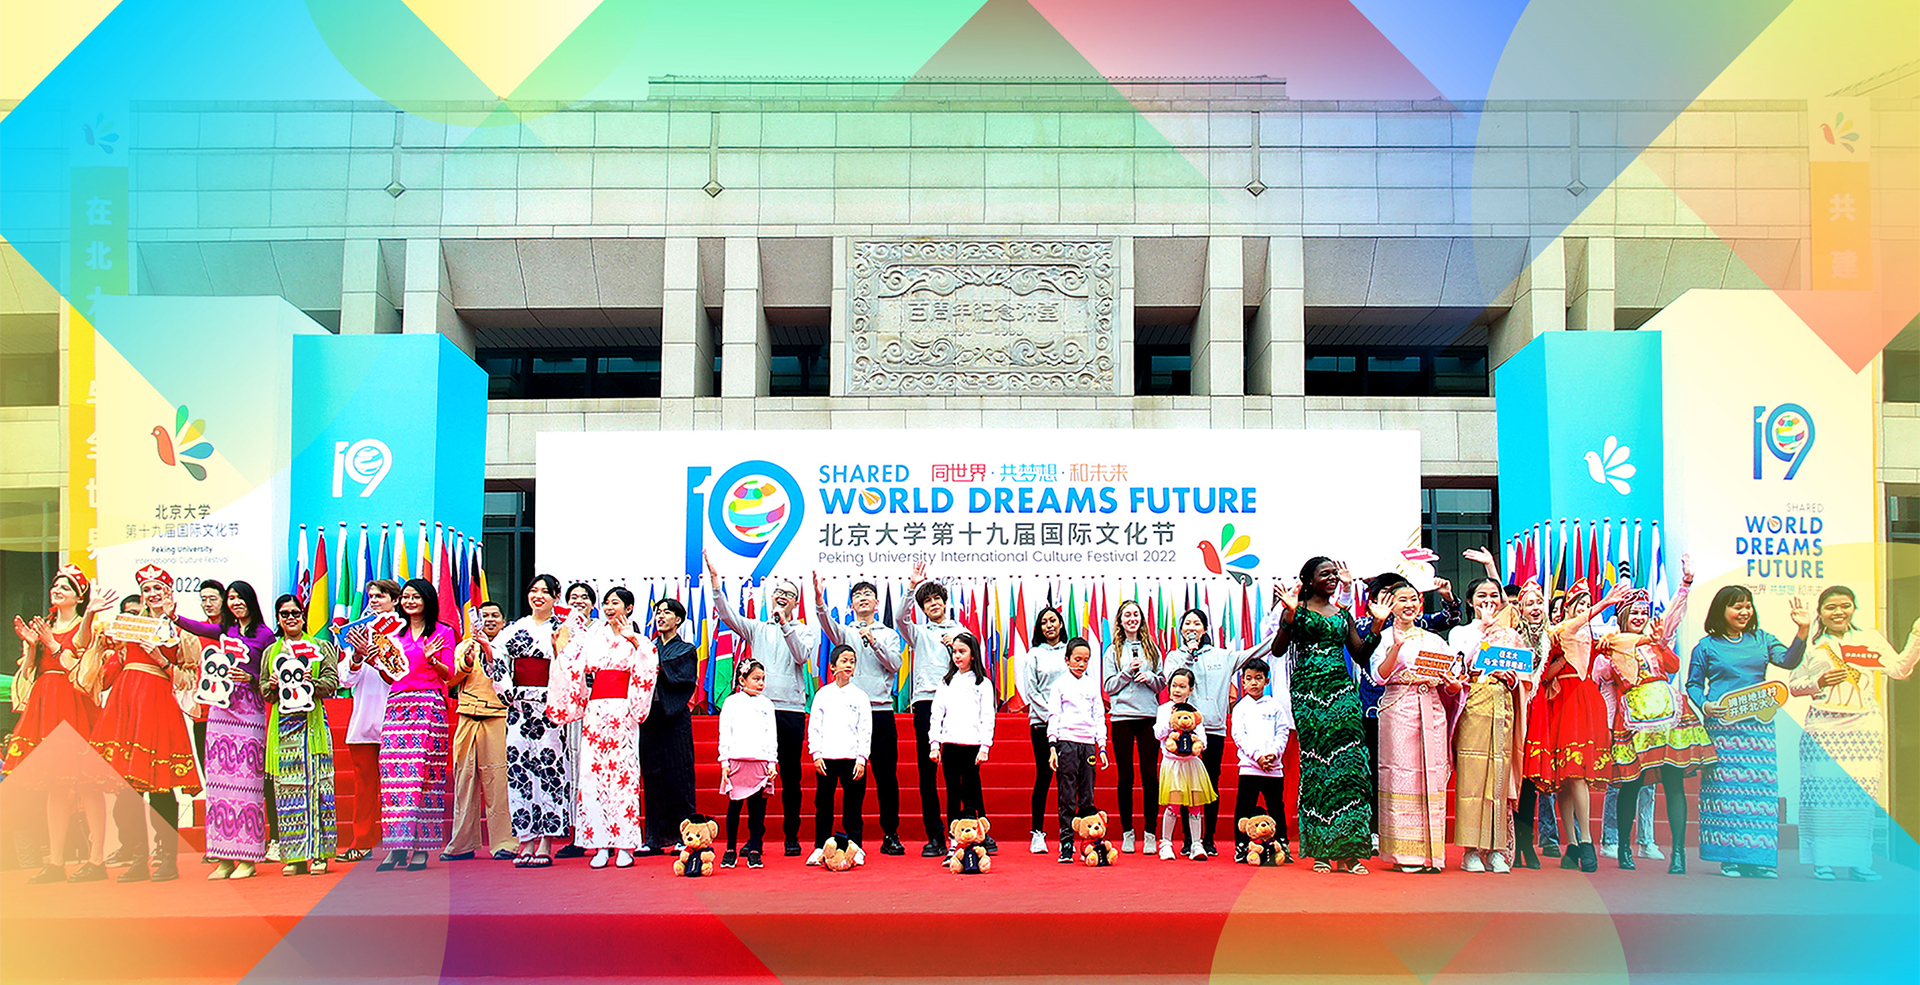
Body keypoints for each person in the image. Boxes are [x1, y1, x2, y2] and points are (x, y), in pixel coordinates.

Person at [1788, 586, 1918, 881]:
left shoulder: (1870, 639)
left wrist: (1916, 637)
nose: (1838, 612)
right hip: (1822, 728)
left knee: (1859, 798)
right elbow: (1794, 685)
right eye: (1830, 607)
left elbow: (1899, 669)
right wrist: (1818, 682)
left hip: (1863, 727)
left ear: (1854, 608)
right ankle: (1823, 861)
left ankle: (1859, 862)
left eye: (1844, 606)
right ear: (1820, 612)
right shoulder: (1812, 644)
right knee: (1822, 798)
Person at [89, 565, 203, 883]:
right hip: (125, 704)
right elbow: (110, 664)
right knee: (126, 787)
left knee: (160, 787)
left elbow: (189, 679)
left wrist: (162, 660)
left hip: (156, 705)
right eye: (147, 590)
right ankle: (138, 857)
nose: (152, 594)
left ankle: (166, 858)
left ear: (169, 592)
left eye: (158, 589)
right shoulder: (129, 626)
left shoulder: (181, 632)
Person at [1686, 585, 1809, 879]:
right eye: (1737, 607)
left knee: (1759, 792)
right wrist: (1705, 705)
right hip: (1723, 728)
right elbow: (1693, 684)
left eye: (1748, 606)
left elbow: (1788, 661)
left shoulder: (1762, 639)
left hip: (1758, 728)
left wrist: (1803, 630)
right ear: (1721, 611)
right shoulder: (1706, 647)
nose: (1744, 612)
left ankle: (1759, 859)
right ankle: (1729, 857)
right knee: (1725, 791)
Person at [1271, 556, 1384, 875]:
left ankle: (1350, 852)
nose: (1333, 578)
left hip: (1343, 695)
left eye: (1334, 574)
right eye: (1325, 574)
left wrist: (1376, 626)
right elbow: (1278, 650)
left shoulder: (1343, 614)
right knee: (1318, 767)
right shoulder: (1296, 610)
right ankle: (1321, 849)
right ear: (1309, 580)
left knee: (1350, 768)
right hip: (1308, 696)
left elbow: (1360, 655)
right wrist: (1288, 616)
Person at [1593, 587, 1715, 874]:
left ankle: (1678, 854)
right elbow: (1607, 690)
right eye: (1634, 612)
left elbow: (1672, 665)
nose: (1639, 617)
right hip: (1634, 720)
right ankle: (1624, 848)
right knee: (1631, 784)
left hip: (1669, 716)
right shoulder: (1610, 645)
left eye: (1643, 612)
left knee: (1673, 782)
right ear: (1622, 616)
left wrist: (1662, 642)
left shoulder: (1654, 641)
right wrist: (1608, 728)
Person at [10, 565, 114, 884]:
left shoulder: (86, 626)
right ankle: (56, 861)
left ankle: (96, 860)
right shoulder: (44, 626)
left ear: (78, 598)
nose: (57, 589)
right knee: (56, 786)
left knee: (88, 784)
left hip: (74, 705)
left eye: (65, 587)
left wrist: (90, 613)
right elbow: (31, 671)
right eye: (56, 585)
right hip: (46, 703)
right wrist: (31, 644)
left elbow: (80, 651)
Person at [1164, 591, 1284, 856]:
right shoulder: (1174, 657)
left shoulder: (1223, 656)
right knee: (1188, 787)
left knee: (1211, 784)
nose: (1192, 628)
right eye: (1187, 623)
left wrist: (1284, 626)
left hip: (1214, 730)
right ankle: (1189, 840)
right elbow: (1171, 679)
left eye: (1197, 623)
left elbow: (1258, 650)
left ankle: (1208, 839)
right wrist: (1189, 656)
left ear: (1205, 629)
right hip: (1187, 731)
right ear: (1181, 630)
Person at [548, 586, 657, 870]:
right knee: (593, 775)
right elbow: (574, 664)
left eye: (615, 603)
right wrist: (562, 647)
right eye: (606, 603)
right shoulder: (593, 636)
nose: (609, 607)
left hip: (623, 710)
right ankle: (599, 844)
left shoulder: (638, 639)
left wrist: (634, 640)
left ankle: (625, 844)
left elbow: (649, 662)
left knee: (623, 775)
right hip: (595, 711)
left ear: (629, 608)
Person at [173, 579, 275, 880]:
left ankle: (248, 858)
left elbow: (269, 675)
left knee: (247, 786)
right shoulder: (224, 631)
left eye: (239, 597)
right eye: (230, 598)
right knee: (219, 786)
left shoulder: (265, 635)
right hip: (221, 711)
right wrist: (173, 616)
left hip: (250, 711)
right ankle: (224, 857)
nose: (235, 602)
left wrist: (251, 678)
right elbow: (196, 627)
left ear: (250, 600)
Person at [1521, 583, 1626, 873]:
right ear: (1567, 607)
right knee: (1564, 779)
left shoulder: (1592, 636)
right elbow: (1546, 669)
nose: (1583, 609)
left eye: (1587, 604)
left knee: (1576, 774)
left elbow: (1624, 643)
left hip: (1584, 702)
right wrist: (1604, 603)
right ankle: (1576, 843)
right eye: (1579, 603)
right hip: (1560, 704)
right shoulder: (1559, 631)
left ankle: (1584, 841)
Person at [1371, 582, 1463, 873]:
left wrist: (1452, 684)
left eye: (1414, 599)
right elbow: (1379, 676)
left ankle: (1433, 854)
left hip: (1432, 706)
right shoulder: (1383, 637)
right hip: (1399, 707)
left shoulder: (1434, 640)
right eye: (1402, 600)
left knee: (1432, 775)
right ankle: (1404, 854)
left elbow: (1452, 680)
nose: (1409, 604)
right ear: (1391, 605)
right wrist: (1396, 646)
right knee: (1401, 775)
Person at [811, 575, 904, 859]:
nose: (863, 598)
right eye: (857, 595)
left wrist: (874, 641)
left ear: (876, 603)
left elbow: (895, 664)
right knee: (851, 780)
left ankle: (890, 834)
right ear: (851, 605)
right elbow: (827, 624)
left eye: (868, 594)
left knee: (886, 777)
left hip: (880, 711)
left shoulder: (888, 634)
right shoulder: (845, 633)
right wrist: (819, 601)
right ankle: (844, 840)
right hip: (847, 715)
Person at [1447, 577, 1534, 874]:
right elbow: (1459, 664)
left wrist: (1513, 679)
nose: (1488, 600)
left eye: (1494, 595)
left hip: (1503, 704)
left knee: (1499, 775)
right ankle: (1471, 850)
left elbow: (1525, 674)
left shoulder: (1511, 635)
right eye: (1481, 595)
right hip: (1474, 702)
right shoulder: (1461, 632)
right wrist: (1482, 629)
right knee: (1473, 777)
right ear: (1470, 601)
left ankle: (1497, 848)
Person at [368, 578, 456, 872]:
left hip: (429, 706)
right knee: (395, 778)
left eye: (415, 596)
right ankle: (396, 846)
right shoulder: (392, 632)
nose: (409, 601)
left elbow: (448, 674)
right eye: (405, 596)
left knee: (425, 778)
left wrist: (432, 660)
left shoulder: (443, 632)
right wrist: (376, 662)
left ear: (427, 600)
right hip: (398, 705)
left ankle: (421, 848)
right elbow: (391, 676)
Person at [260, 594, 339, 875]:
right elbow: (264, 691)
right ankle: (294, 856)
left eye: (295, 613)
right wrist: (272, 685)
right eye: (285, 614)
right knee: (288, 791)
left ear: (303, 617)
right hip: (283, 727)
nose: (291, 618)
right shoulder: (271, 652)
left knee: (319, 787)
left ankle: (319, 854)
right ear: (278, 619)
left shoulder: (320, 647)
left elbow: (332, 682)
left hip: (313, 724)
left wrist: (311, 683)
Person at [497, 575, 570, 867]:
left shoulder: (563, 628)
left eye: (545, 592)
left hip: (550, 705)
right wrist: (507, 690)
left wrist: (560, 652)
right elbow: (497, 659)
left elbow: (572, 665)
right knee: (519, 768)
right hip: (519, 705)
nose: (538, 596)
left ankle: (546, 841)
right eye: (533, 590)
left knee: (550, 769)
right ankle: (525, 838)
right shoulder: (514, 629)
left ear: (555, 597)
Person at [442, 600, 515, 862]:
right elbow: (450, 680)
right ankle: (462, 843)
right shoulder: (464, 646)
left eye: (495, 615)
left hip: (498, 716)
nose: (490, 620)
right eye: (484, 616)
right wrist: (467, 661)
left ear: (504, 622)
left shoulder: (509, 647)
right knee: (464, 781)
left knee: (499, 782)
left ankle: (505, 842)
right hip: (466, 716)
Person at [903, 563, 966, 858]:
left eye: (937, 599)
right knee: (927, 771)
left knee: (957, 770)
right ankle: (934, 836)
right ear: (923, 608)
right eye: (927, 601)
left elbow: (973, 663)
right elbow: (900, 619)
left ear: (944, 601)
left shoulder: (961, 631)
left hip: (956, 701)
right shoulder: (918, 633)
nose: (933, 604)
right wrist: (912, 587)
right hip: (926, 702)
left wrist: (957, 646)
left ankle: (961, 832)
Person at [336, 579, 398, 863]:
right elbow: (345, 679)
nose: (374, 600)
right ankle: (361, 842)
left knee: (398, 788)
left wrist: (380, 660)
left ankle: (398, 843)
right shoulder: (359, 632)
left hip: (398, 722)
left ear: (395, 601)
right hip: (363, 722)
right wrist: (358, 657)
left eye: (381, 596)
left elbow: (403, 675)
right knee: (364, 788)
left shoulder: (403, 633)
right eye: (371, 596)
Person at [1103, 600, 1163, 855]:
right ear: (1120, 620)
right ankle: (1127, 831)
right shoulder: (1112, 651)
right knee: (1125, 777)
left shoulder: (1152, 648)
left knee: (1149, 776)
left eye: (1135, 614)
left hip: (1148, 716)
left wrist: (1150, 678)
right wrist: (1127, 672)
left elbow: (1162, 684)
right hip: (1122, 718)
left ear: (1141, 619)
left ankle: (1150, 832)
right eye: (1127, 615)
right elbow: (1108, 687)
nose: (1132, 619)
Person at [639, 597, 698, 855]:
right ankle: (653, 838)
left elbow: (684, 678)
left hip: (674, 718)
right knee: (652, 776)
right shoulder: (647, 647)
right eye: (658, 612)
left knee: (679, 776)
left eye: (667, 612)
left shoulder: (685, 649)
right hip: (649, 718)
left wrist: (656, 667)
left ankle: (685, 835)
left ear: (678, 619)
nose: (661, 616)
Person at [929, 631, 996, 854]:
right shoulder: (946, 682)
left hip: (972, 746)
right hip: (950, 744)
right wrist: (934, 744)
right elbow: (937, 714)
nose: (957, 656)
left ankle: (975, 837)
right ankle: (954, 840)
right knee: (952, 792)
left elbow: (987, 716)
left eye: (962, 651)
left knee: (971, 791)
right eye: (955, 652)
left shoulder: (983, 683)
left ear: (973, 655)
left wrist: (985, 746)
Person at [806, 644, 871, 867]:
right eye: (844, 661)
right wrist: (816, 754)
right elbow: (814, 726)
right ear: (832, 666)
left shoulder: (860, 696)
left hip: (852, 759)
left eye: (852, 661)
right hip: (827, 758)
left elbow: (865, 729)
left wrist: (862, 758)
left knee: (853, 806)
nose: (848, 665)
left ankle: (856, 846)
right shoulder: (823, 694)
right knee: (823, 805)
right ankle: (820, 847)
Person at [1048, 636, 1109, 863]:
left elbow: (1099, 715)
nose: (1081, 664)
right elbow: (1054, 715)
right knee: (1067, 794)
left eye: (1086, 660)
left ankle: (1088, 841)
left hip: (1088, 744)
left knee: (1087, 794)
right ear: (1067, 660)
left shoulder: (1092, 685)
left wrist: (1101, 746)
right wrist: (1052, 746)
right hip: (1067, 742)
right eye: (1077, 659)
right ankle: (1066, 842)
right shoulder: (1060, 684)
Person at [1016, 604, 1070, 855]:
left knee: (1067, 778)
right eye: (1044, 622)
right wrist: (1052, 715)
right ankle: (1037, 833)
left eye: (1053, 620)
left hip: (1069, 723)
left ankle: (1067, 833)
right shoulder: (1033, 655)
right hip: (1042, 722)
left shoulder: (1070, 652)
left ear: (1061, 624)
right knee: (1044, 775)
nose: (1049, 625)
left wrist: (1065, 716)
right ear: (1039, 628)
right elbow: (1032, 691)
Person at [1230, 658, 1295, 864]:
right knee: (1244, 808)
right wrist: (1257, 756)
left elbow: (1283, 732)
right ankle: (1242, 846)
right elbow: (1239, 736)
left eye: (1258, 678)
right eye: (1249, 678)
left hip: (1273, 769)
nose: (1254, 683)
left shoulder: (1275, 706)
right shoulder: (1240, 707)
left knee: (1276, 808)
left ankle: (1281, 844)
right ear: (1243, 682)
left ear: (1267, 681)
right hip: (1249, 768)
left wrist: (1274, 754)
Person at [552, 581, 599, 860]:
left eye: (584, 597)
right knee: (572, 766)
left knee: (595, 767)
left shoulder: (601, 630)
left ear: (593, 604)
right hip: (570, 702)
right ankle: (577, 835)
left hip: (597, 699)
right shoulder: (561, 628)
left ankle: (602, 832)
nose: (579, 601)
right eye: (573, 597)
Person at [716, 659, 776, 869]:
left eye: (763, 679)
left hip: (759, 762)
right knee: (734, 806)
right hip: (737, 761)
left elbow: (771, 735)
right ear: (742, 680)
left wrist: (772, 762)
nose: (760, 683)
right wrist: (724, 760)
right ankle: (730, 849)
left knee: (757, 808)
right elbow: (725, 732)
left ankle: (754, 849)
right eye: (756, 679)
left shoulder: (767, 704)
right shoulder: (731, 702)